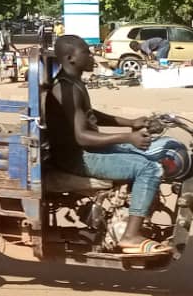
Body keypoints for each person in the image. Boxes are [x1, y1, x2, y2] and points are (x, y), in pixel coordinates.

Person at [47, 35, 167, 254]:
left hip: (86, 150)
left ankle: (136, 210)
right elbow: (82, 136)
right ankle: (130, 236)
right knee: (147, 168)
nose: (92, 55)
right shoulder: (65, 89)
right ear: (71, 57)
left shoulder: (73, 81)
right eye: (86, 52)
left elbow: (90, 115)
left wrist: (130, 122)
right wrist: (127, 137)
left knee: (155, 152)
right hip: (78, 157)